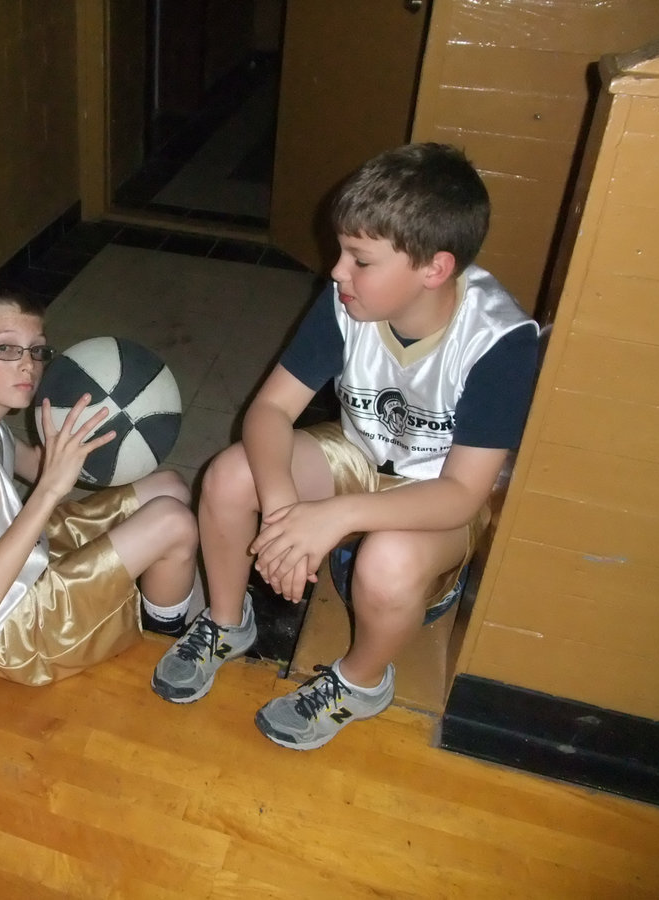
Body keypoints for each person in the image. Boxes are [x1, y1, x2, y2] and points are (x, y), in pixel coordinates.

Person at [151, 143, 539, 749]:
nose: (336, 271)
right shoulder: (347, 302)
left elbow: (464, 493)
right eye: (341, 252)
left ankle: (361, 682)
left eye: (360, 259)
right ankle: (227, 622)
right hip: (359, 455)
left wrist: (334, 516)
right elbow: (270, 411)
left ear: (434, 269)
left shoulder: (500, 342)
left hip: (435, 494)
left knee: (387, 562)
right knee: (230, 476)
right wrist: (283, 515)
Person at [0, 280, 200, 685]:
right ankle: (165, 642)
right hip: (2, 634)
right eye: (6, 349)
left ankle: (150, 600)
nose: (28, 365)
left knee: (169, 487)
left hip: (16, 562)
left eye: (36, 350)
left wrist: (96, 434)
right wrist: (50, 489)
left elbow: (39, 465)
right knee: (174, 522)